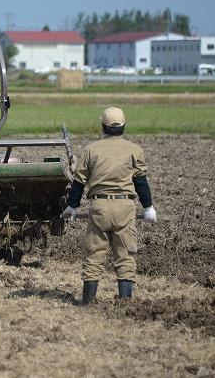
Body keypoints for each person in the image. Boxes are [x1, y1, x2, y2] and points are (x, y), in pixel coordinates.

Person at [61, 107, 157, 305]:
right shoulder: (134, 150)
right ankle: (125, 303)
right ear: (123, 126)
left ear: (102, 126)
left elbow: (79, 182)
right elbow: (141, 181)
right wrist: (148, 207)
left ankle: (87, 302)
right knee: (125, 255)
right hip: (125, 207)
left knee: (94, 255)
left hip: (99, 208)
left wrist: (72, 206)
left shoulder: (90, 150)